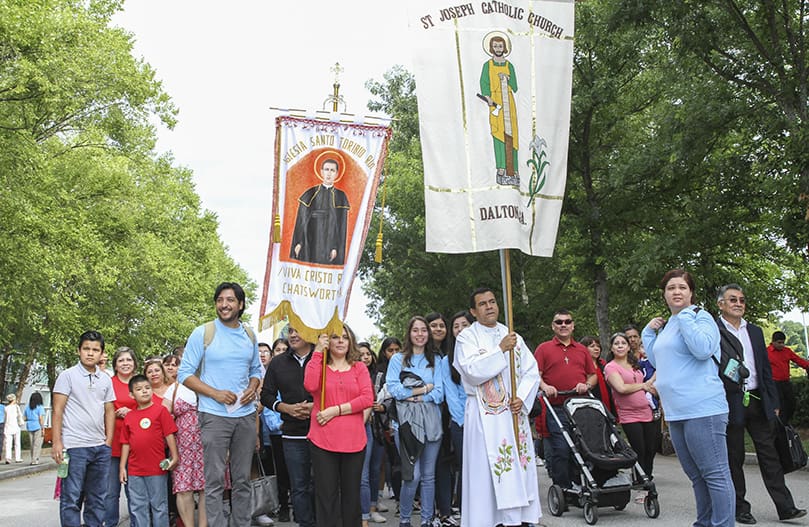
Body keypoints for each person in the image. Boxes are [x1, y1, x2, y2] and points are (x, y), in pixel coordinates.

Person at [642, 269, 734, 527]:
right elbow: (659, 360)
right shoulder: (670, 325)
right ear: (664, 294)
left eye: (682, 287)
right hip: (675, 411)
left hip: (703, 408)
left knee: (715, 473)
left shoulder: (700, 317)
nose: (676, 292)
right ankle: (703, 523)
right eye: (671, 288)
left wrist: (685, 318)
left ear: (691, 292)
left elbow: (703, 350)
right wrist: (648, 333)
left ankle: (723, 524)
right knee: (696, 476)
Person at [716, 284, 806, 524]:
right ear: (721, 304)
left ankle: (785, 507)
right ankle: (740, 508)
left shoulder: (754, 331)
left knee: (770, 455)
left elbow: (765, 369)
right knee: (734, 457)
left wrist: (773, 401)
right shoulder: (713, 330)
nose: (738, 303)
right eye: (732, 299)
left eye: (742, 300)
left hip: (757, 399)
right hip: (729, 400)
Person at [453, 287, 541, 527]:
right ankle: (485, 520)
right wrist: (500, 349)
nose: (489, 306)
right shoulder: (466, 337)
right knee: (485, 472)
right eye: (482, 304)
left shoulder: (512, 335)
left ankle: (515, 521)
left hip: (512, 413)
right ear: (473, 310)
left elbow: (531, 371)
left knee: (514, 469)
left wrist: (522, 397)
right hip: (484, 417)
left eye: (492, 301)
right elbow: (471, 372)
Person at [177, 282, 262, 527]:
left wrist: (252, 388)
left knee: (242, 480)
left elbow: (256, 369)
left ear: (241, 304)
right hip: (213, 416)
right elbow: (185, 373)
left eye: (230, 300)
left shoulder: (249, 335)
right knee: (213, 481)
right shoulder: (202, 332)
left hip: (245, 416)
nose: (224, 305)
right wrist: (214, 393)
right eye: (220, 300)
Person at [304, 326, 374, 527]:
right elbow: (310, 386)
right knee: (326, 497)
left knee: (351, 498)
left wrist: (336, 410)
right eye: (335, 337)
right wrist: (317, 351)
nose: (341, 341)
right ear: (327, 340)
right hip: (322, 440)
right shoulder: (320, 367)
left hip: (353, 440)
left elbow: (367, 398)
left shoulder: (359, 367)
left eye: (345, 337)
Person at [52, 330, 116, 527]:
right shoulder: (67, 376)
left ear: (101, 353)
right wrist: (57, 442)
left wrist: (108, 441)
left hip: (100, 448)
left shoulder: (105, 379)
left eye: (95, 350)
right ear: (79, 351)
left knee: (97, 499)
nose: (90, 353)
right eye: (86, 349)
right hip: (75, 446)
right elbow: (57, 410)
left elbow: (110, 410)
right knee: (71, 498)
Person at [386, 316, 445, 527]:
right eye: (415, 330)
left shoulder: (436, 360)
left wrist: (416, 396)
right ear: (409, 333)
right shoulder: (398, 359)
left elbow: (439, 393)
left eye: (423, 330)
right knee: (412, 475)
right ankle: (404, 519)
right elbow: (394, 389)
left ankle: (427, 520)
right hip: (407, 424)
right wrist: (423, 389)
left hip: (432, 422)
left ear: (428, 334)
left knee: (429, 476)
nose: (420, 334)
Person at [534, 309, 597, 489]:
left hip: (579, 406)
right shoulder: (544, 348)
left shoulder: (582, 350)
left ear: (573, 325)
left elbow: (592, 375)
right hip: (556, 408)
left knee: (583, 446)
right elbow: (535, 375)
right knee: (561, 448)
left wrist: (586, 385)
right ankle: (563, 488)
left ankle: (579, 483)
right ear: (553, 326)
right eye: (559, 322)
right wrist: (545, 386)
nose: (563, 325)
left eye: (567, 321)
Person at [261, 327, 316, 527]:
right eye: (290, 331)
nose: (293, 335)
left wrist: (314, 407)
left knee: (320, 486)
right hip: (292, 434)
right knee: (299, 487)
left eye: (298, 330)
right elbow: (266, 395)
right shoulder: (277, 362)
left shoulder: (322, 357)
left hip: (321, 431)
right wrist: (286, 408)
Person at [120, 374, 179, 527]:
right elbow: (125, 443)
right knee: (138, 506)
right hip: (135, 470)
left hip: (157, 468)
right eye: (139, 389)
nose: (144, 391)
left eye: (147, 388)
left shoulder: (161, 411)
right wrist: (122, 467)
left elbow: (169, 434)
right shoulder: (130, 416)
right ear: (132, 395)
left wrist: (175, 456)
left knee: (159, 505)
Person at [603, 332, 656, 498]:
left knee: (651, 448)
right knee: (639, 448)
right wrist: (643, 386)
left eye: (623, 343)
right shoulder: (610, 367)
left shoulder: (636, 364)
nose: (620, 346)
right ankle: (641, 484)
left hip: (646, 410)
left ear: (628, 347)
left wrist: (649, 385)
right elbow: (622, 388)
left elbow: (649, 381)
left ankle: (647, 478)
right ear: (611, 348)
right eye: (616, 343)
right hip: (628, 414)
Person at [164, 363, 217, 527]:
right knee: (183, 487)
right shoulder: (175, 387)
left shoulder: (214, 383)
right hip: (181, 444)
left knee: (207, 487)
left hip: (209, 440)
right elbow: (163, 416)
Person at [105, 346, 143, 527]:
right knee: (111, 492)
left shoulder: (140, 384)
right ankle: (110, 523)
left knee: (134, 491)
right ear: (115, 364)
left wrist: (131, 412)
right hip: (112, 444)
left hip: (135, 446)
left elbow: (149, 408)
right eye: (121, 360)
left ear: (134, 363)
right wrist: (113, 412)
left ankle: (136, 523)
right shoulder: (108, 383)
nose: (125, 363)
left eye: (128, 360)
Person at [290, 157, 350, 265]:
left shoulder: (341, 196)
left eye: (332, 170)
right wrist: (299, 242)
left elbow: (341, 227)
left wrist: (335, 247)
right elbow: (301, 221)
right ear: (321, 172)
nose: (329, 173)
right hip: (310, 238)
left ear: (336, 174)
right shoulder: (310, 193)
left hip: (329, 242)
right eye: (326, 169)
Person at [480, 32, 519, 185]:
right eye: (495, 46)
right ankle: (501, 168)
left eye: (500, 46)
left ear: (505, 48)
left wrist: (508, 79)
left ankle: (514, 169)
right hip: (496, 102)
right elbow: (484, 83)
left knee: (512, 135)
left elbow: (515, 87)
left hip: (508, 100)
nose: (498, 48)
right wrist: (488, 97)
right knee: (498, 134)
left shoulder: (510, 66)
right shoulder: (487, 65)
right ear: (491, 48)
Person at [358, 342, 388, 525]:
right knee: (362, 473)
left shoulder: (379, 376)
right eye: (360, 355)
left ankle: (372, 506)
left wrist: (383, 407)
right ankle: (364, 512)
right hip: (359, 426)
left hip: (377, 427)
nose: (365, 357)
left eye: (367, 354)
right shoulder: (353, 372)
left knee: (375, 468)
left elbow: (390, 398)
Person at [375, 337, 403, 505]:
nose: (393, 354)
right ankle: (399, 499)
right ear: (384, 352)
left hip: (406, 417)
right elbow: (377, 396)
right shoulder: (379, 372)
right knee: (393, 462)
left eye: (397, 350)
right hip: (384, 422)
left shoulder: (406, 367)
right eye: (390, 350)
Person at [766, 330, 809, 425]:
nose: (782, 345)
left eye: (783, 342)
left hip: (786, 382)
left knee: (791, 403)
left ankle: (785, 423)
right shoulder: (766, 352)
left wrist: (807, 366)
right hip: (774, 384)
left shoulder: (787, 351)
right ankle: (780, 425)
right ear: (773, 342)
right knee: (779, 406)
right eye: (779, 343)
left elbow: (798, 360)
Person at [579, 336, 617, 419]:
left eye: (598, 346)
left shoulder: (603, 364)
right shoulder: (581, 366)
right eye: (592, 346)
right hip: (591, 402)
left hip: (607, 400)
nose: (596, 349)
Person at [24, 392, 44, 465]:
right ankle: (35, 459)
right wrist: (43, 428)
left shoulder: (27, 408)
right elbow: (41, 418)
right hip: (37, 425)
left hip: (29, 426)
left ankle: (32, 458)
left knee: (32, 444)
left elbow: (25, 418)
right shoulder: (40, 407)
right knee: (37, 444)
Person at [3, 393, 23, 463]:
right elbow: (19, 416)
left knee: (8, 443)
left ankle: (8, 458)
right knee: (17, 443)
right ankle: (18, 458)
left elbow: (5, 418)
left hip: (8, 426)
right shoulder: (16, 407)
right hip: (16, 426)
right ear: (14, 399)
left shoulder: (6, 408)